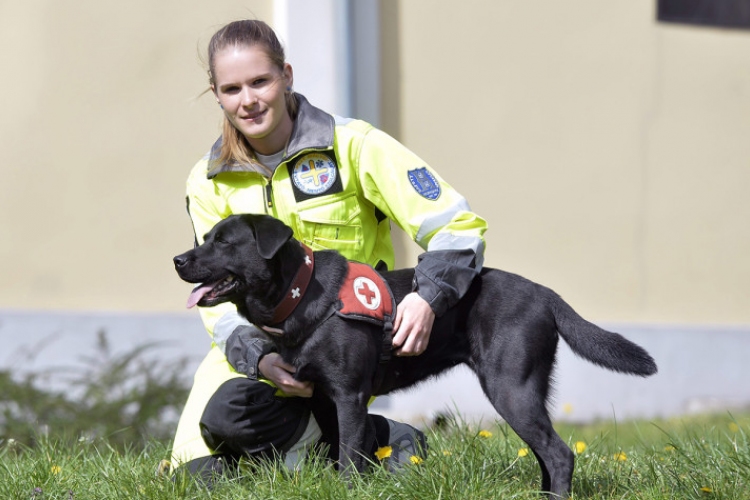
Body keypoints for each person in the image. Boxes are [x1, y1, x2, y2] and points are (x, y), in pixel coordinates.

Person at [170, 19, 488, 481]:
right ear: (216, 94)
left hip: (346, 344)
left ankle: (356, 444)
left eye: (261, 81)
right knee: (193, 474)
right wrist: (258, 356)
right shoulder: (207, 180)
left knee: (241, 466)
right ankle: (352, 446)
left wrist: (428, 297)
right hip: (265, 349)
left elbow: (456, 228)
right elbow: (216, 296)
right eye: (232, 88)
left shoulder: (355, 146)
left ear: (287, 76)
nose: (249, 100)